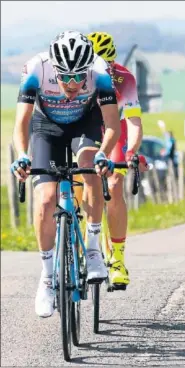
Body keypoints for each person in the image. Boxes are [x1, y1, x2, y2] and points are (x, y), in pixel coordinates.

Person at [10, 30, 121, 318]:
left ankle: (94, 249)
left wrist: (103, 153)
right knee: (46, 200)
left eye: (78, 78)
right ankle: (47, 276)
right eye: (65, 77)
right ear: (54, 69)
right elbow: (21, 122)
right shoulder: (35, 68)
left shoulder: (100, 71)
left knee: (90, 169)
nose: (72, 84)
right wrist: (23, 155)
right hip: (46, 127)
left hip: (85, 123)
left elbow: (111, 124)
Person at [86, 31, 143, 288]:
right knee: (79, 182)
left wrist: (131, 151)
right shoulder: (79, 76)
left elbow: (133, 122)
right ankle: (79, 245)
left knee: (114, 185)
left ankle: (117, 259)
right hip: (86, 130)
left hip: (114, 130)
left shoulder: (124, 78)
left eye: (105, 65)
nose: (100, 70)